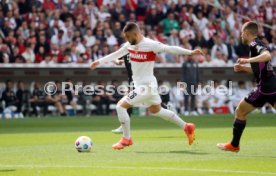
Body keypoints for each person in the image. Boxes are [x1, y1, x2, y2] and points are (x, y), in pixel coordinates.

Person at [91, 22, 203, 150]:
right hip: (146, 86)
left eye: (128, 37)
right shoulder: (129, 45)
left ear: (136, 34)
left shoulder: (150, 44)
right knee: (156, 111)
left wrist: (190, 52)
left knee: (120, 107)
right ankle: (187, 127)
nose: (127, 40)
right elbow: (116, 54)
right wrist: (99, 62)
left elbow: (169, 48)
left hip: (146, 86)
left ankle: (126, 139)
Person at [217, 21, 276, 152]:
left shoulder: (255, 44)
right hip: (270, 85)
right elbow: (259, 69)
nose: (241, 36)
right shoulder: (255, 46)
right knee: (240, 111)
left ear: (247, 33)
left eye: (242, 33)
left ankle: (234, 145)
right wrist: (243, 68)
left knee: (240, 111)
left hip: (266, 88)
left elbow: (267, 56)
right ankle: (234, 144)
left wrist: (246, 60)